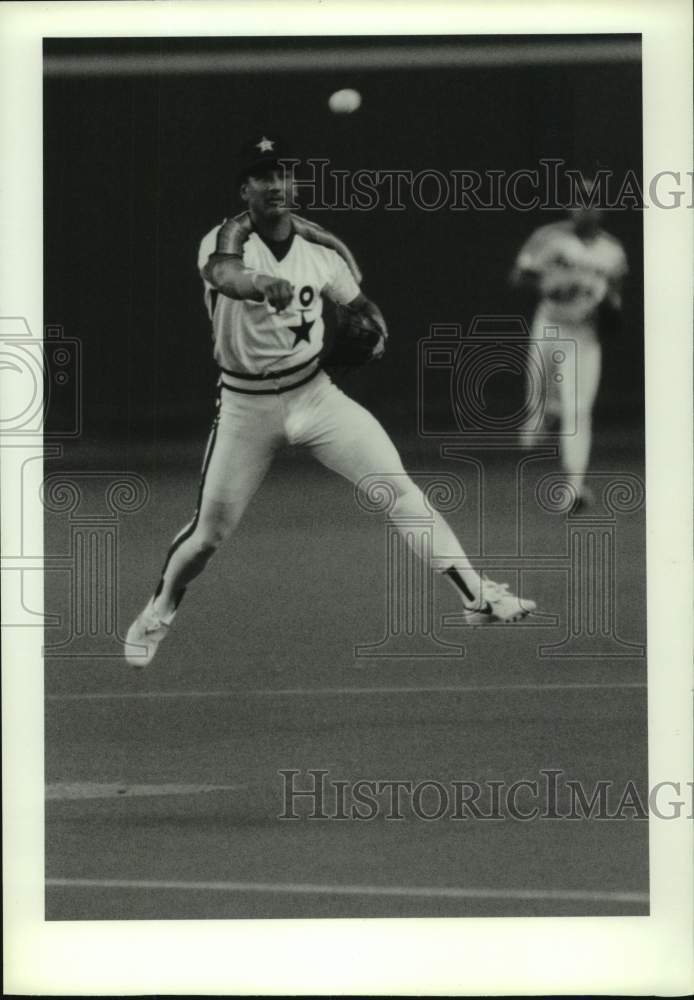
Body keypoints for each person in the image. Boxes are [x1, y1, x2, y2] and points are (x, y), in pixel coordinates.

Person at [125, 135, 536, 667]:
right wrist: (259, 283)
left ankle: (476, 597)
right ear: (244, 189)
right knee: (208, 535)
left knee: (399, 489)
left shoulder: (323, 248)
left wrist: (375, 330)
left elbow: (363, 308)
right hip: (246, 409)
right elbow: (225, 274)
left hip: (315, 396)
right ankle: (158, 610)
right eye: (262, 176)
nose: (275, 184)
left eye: (283, 174)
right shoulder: (223, 238)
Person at [510, 175, 628, 510]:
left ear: (602, 207)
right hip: (549, 324)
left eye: (591, 200)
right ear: (570, 205)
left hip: (584, 334)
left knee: (579, 410)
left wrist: (607, 303)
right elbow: (519, 276)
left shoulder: (613, 251)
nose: (583, 206)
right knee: (536, 398)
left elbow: (615, 307)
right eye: (578, 200)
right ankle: (545, 412)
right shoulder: (549, 237)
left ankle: (574, 487)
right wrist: (553, 274)